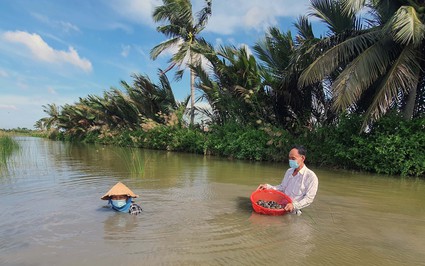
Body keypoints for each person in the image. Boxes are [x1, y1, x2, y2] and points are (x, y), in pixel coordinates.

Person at [257, 145, 318, 215]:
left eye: (293, 158)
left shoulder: (311, 177)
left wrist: (294, 206)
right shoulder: (289, 171)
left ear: (302, 158)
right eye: (289, 158)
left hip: (294, 212)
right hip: (280, 207)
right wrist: (268, 187)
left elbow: (309, 199)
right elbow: (282, 187)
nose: (290, 161)